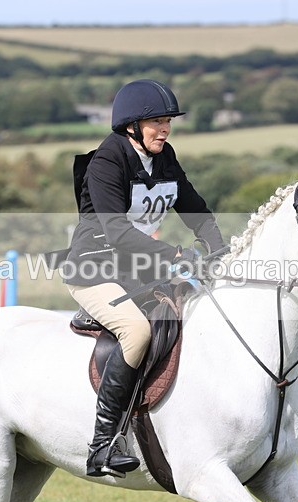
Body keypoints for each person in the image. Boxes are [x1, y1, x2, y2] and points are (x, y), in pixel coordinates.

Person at [63, 79, 226, 477]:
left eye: (168, 120)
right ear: (132, 126)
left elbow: (195, 209)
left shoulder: (164, 156)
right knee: (137, 332)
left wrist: (218, 250)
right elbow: (117, 232)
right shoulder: (107, 162)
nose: (165, 128)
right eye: (157, 121)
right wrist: (173, 254)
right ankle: (102, 444)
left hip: (139, 268)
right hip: (94, 268)